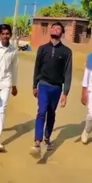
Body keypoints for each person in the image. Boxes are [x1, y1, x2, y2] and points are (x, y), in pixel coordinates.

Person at [31, 21, 72, 157]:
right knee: (41, 111)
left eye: (58, 28)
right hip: (43, 85)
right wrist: (34, 85)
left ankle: (47, 138)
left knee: (51, 113)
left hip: (56, 88)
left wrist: (65, 93)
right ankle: (37, 142)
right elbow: (37, 67)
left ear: (62, 33)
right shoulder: (42, 49)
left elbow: (67, 73)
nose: (55, 29)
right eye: (53, 27)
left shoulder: (66, 52)